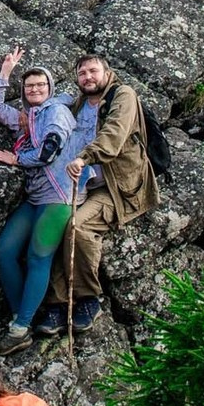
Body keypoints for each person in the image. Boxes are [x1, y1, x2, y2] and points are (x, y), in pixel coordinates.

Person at [0, 51, 99, 354]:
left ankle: (20, 327)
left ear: (49, 88)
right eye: (29, 86)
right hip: (36, 197)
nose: (35, 90)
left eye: (40, 85)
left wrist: (16, 158)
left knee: (38, 256)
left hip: (61, 195)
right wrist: (5, 72)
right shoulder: (26, 116)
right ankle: (23, 320)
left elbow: (49, 152)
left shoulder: (56, 112)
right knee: (5, 251)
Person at [41, 54, 160, 337]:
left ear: (107, 72)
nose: (88, 77)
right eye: (82, 74)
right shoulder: (81, 103)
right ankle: (57, 304)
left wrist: (84, 157)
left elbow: (114, 135)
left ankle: (88, 299)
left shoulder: (124, 95)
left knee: (78, 226)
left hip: (117, 187)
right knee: (56, 228)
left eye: (93, 71)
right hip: (82, 185)